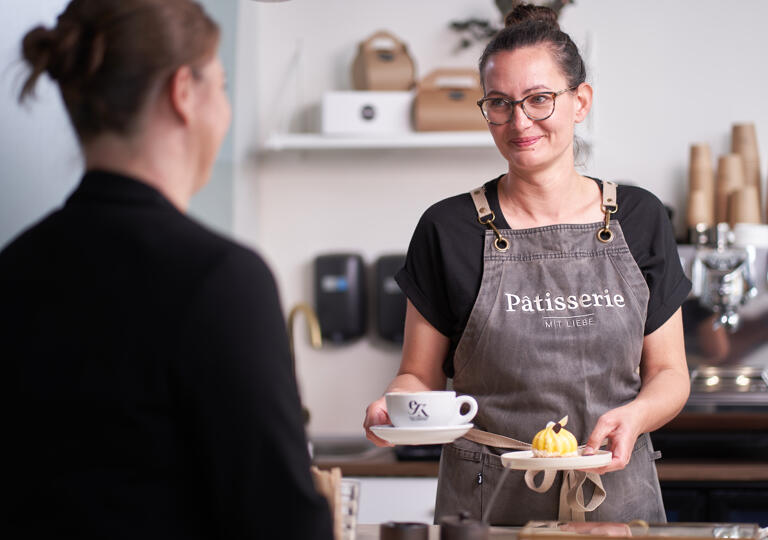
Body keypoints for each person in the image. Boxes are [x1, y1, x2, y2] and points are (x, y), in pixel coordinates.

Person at [0, 1, 333, 538]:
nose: (224, 110)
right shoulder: (223, 279)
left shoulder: (12, 269)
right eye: (220, 85)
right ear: (184, 92)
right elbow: (284, 521)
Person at [364, 2, 691, 525]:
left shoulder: (640, 216)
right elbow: (416, 375)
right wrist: (395, 405)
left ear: (580, 101)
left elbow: (671, 374)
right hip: (487, 508)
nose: (520, 122)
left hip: (617, 501)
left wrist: (636, 417)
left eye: (540, 99)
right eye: (500, 103)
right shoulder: (447, 229)